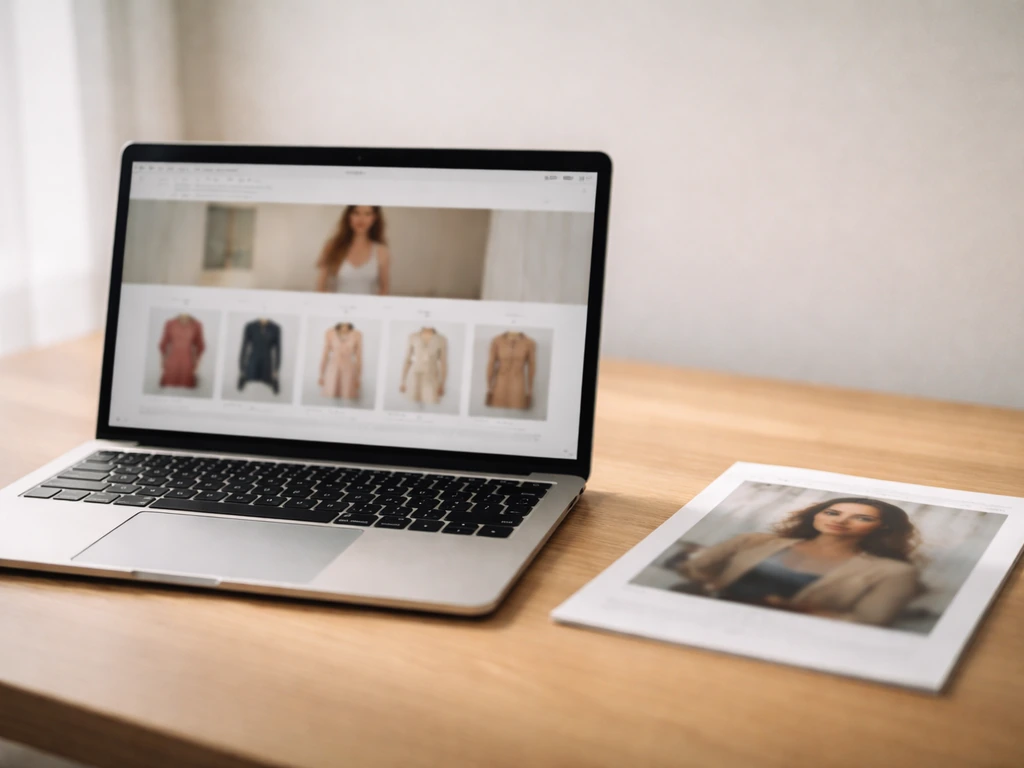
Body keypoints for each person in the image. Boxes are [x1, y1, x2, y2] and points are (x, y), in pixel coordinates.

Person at [680, 497, 921, 627]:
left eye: (861, 518)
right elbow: (694, 570)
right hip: (703, 619)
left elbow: (870, 622)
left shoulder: (894, 572)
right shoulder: (752, 541)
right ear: (816, 515)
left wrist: (800, 610)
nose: (841, 521)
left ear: (883, 527)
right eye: (833, 513)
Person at [315, 206, 391, 295]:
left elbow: (384, 289)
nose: (361, 219)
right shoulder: (331, 246)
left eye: (367, 214)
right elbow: (320, 287)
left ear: (374, 218)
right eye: (356, 213)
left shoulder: (381, 251)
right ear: (348, 216)